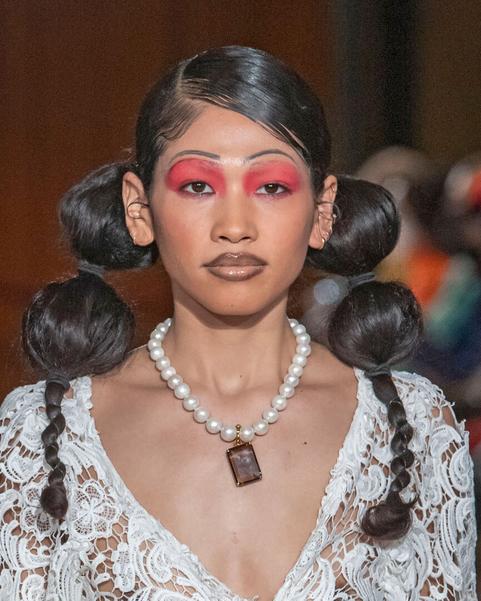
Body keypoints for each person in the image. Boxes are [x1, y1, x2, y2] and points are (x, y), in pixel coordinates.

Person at [0, 46, 476, 600]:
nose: (234, 225)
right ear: (139, 209)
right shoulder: (42, 436)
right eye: (198, 186)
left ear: (323, 212)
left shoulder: (414, 426)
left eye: (271, 186)